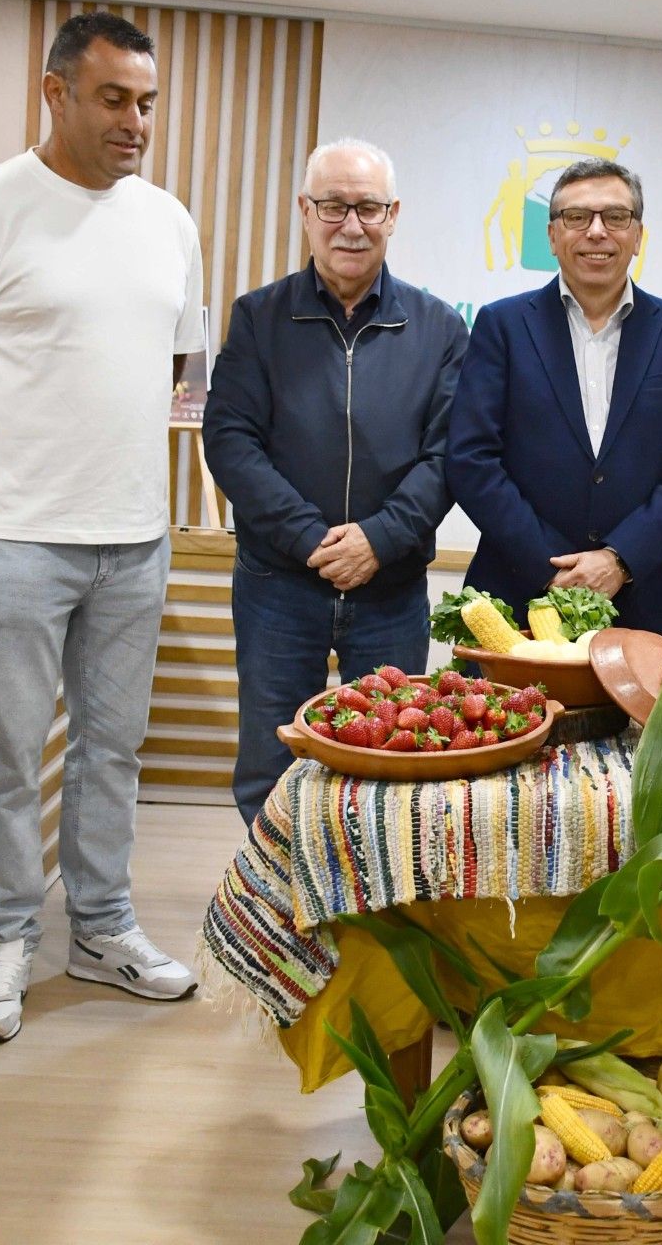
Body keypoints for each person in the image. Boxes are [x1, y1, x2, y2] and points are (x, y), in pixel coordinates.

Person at [0, 12, 204, 1045]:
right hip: (19, 535)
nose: (136, 122)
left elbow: (168, 367)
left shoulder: (169, 219)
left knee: (113, 749)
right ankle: (6, 933)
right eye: (115, 98)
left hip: (135, 531)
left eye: (148, 103)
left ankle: (103, 926)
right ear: (56, 92)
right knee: (11, 748)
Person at [204, 140, 465, 825]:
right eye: (333, 206)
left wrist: (378, 539)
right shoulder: (259, 318)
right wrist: (310, 539)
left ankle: (366, 918)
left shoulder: (438, 327)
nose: (351, 224)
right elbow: (230, 441)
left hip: (391, 586)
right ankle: (275, 915)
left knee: (389, 765)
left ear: (394, 214)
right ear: (305, 211)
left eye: (369, 207)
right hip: (278, 584)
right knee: (272, 761)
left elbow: (449, 455)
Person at [448, 158, 662, 632]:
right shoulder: (502, 326)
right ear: (552, 235)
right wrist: (552, 564)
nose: (597, 232)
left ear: (637, 235)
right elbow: (471, 459)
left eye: (615, 217)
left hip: (635, 603)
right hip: (515, 595)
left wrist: (619, 559)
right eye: (577, 217)